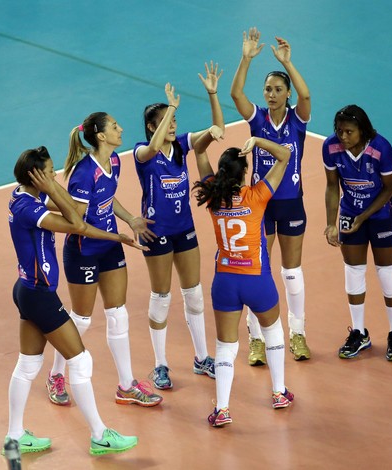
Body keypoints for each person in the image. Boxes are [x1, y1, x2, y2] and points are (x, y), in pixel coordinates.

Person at [7, 146, 141, 455]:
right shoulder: (31, 209)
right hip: (39, 294)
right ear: (35, 176)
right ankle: (100, 435)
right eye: (49, 171)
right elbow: (76, 223)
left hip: (27, 289)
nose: (55, 175)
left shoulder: (22, 196)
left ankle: (14, 437)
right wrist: (114, 237)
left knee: (28, 365)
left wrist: (49, 188)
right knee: (81, 361)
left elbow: (76, 212)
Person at [46, 113, 163, 407]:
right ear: (100, 136)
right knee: (82, 320)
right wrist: (116, 236)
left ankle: (126, 385)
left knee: (118, 314)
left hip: (110, 246)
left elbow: (108, 199)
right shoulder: (85, 174)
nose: (120, 129)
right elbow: (77, 221)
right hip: (84, 249)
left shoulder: (115, 162)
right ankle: (56, 374)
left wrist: (130, 220)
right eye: (114, 127)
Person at [132, 62, 224, 390]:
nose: (172, 126)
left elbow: (216, 128)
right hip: (156, 232)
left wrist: (213, 94)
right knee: (161, 297)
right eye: (166, 123)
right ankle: (160, 365)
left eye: (174, 122)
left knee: (195, 295)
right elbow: (154, 146)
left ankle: (202, 358)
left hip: (184, 229)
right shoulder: (142, 153)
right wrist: (171, 106)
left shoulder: (183, 146)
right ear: (151, 126)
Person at [193, 134, 295, 427]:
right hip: (256, 280)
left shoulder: (212, 193)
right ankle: (278, 393)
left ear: (222, 172)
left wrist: (209, 136)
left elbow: (198, 151)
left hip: (225, 280)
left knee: (225, 347)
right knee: (273, 330)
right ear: (245, 173)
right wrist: (257, 141)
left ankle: (222, 410)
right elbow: (285, 156)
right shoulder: (257, 195)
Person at [230, 27, 312, 365]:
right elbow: (236, 95)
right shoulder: (258, 119)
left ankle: (298, 333)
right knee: (257, 269)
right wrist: (246, 59)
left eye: (278, 90)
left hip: (291, 202)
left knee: (291, 272)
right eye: (267, 89)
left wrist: (287, 63)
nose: (271, 94)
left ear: (287, 92)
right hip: (259, 205)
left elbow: (307, 96)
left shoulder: (298, 120)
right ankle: (257, 339)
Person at [323, 105, 392, 361]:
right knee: (354, 271)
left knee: (386, 272)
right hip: (349, 213)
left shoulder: (382, 148)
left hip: (379, 215)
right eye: (339, 131)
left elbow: (389, 189)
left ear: (363, 131)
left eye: (349, 132)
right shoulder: (331, 147)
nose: (343, 137)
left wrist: (363, 217)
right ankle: (359, 332)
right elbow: (331, 185)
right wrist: (331, 222)